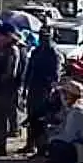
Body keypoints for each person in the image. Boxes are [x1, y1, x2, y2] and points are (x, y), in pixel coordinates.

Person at [21, 25, 64, 154]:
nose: (43, 39)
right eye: (41, 36)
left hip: (44, 89)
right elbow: (29, 70)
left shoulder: (54, 52)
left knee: (42, 118)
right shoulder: (36, 51)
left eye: (46, 36)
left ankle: (41, 147)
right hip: (33, 87)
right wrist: (25, 87)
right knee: (31, 116)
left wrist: (51, 89)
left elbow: (56, 74)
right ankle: (30, 143)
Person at [0, 22, 22, 156]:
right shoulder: (4, 49)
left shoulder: (12, 50)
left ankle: (2, 144)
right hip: (0, 89)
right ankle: (0, 143)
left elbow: (10, 72)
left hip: (5, 90)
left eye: (1, 35)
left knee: (1, 117)